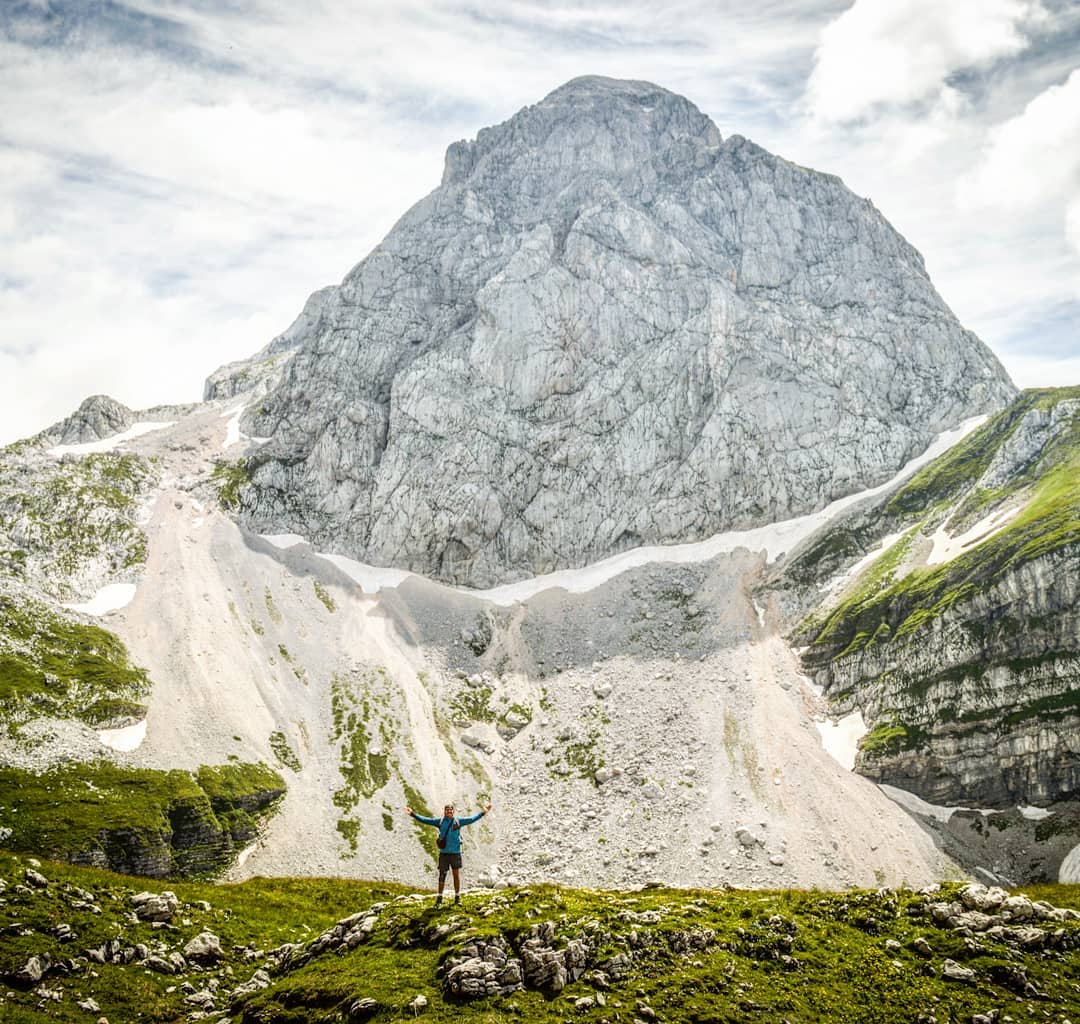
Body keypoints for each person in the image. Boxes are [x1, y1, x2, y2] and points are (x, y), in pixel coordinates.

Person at [404, 800, 492, 906]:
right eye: (447, 810)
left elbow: (471, 819)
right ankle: (439, 898)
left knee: (456, 875)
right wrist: (413, 814)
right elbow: (426, 820)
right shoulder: (440, 822)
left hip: (455, 853)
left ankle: (457, 898)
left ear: (453, 811)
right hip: (444, 853)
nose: (449, 811)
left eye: (451, 810)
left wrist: (483, 813)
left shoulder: (459, 821)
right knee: (442, 876)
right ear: (444, 812)